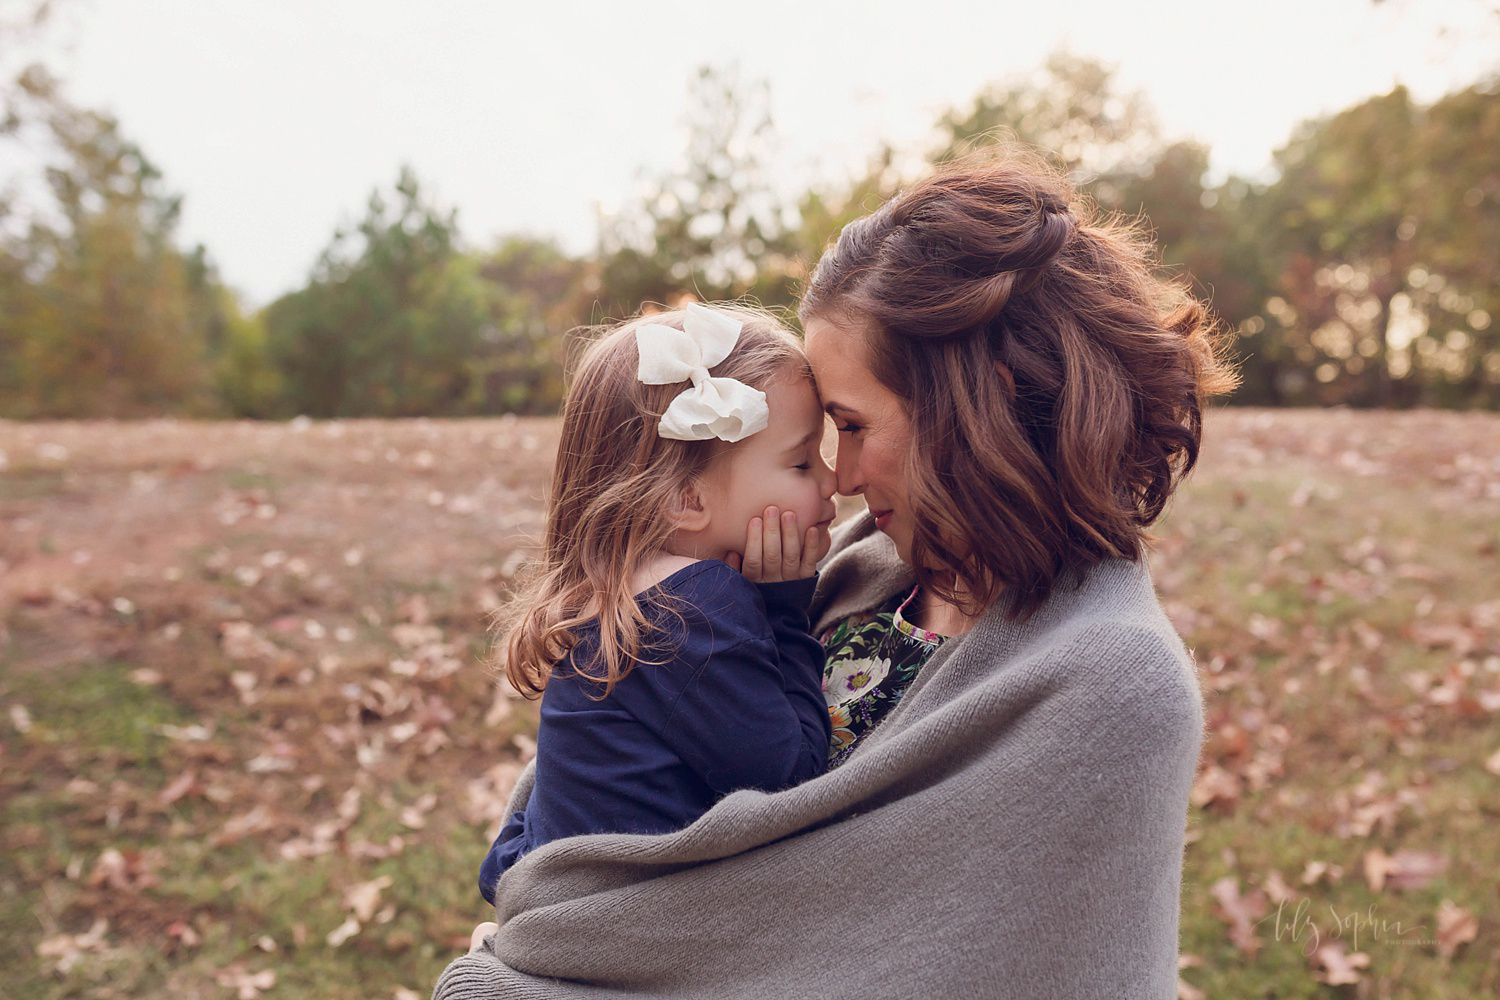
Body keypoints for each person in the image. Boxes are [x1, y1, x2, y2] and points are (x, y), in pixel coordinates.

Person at [436, 148, 1236, 1000]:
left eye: (851, 426)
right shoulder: (864, 567)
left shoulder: (1109, 682)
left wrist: (506, 982)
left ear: (986, 405)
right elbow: (593, 796)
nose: (842, 479)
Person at [476, 302, 839, 905]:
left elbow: (516, 847)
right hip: (629, 931)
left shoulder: (608, 601)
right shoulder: (693, 610)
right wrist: (786, 610)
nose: (831, 482)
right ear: (686, 499)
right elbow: (793, 784)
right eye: (802, 461)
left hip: (556, 896)